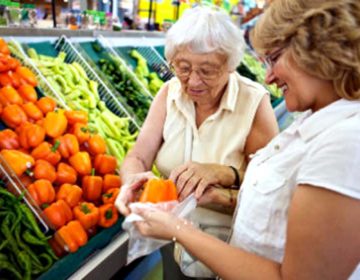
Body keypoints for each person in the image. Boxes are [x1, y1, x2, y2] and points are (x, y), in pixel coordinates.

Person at [132, 0, 360, 279]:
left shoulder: (345, 143)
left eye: (274, 58)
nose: (269, 76)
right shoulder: (315, 121)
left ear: (317, 51)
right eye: (183, 68)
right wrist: (220, 194)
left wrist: (178, 229)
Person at [115, 6, 278, 279]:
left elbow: (270, 193)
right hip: (171, 243)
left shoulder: (254, 102)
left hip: (230, 251)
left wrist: (223, 183)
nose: (192, 81)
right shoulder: (169, 93)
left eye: (207, 70)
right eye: (183, 67)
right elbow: (138, 157)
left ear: (230, 65)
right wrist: (131, 181)